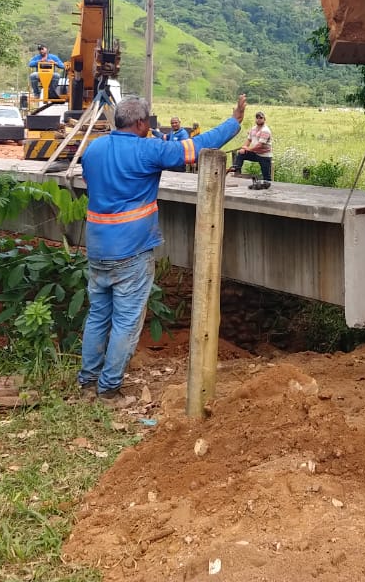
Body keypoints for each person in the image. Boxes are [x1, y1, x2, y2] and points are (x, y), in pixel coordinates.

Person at [76, 92, 247, 400]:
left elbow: (90, 181)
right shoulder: (148, 150)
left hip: (98, 248)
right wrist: (233, 123)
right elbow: (195, 148)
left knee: (99, 315)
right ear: (141, 123)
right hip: (131, 250)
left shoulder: (95, 147)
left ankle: (87, 380)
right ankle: (109, 388)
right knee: (126, 321)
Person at [231, 111, 273, 183]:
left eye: (261, 118)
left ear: (264, 119)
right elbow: (249, 140)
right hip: (255, 153)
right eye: (257, 118)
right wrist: (244, 148)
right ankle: (236, 169)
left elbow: (260, 145)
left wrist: (249, 149)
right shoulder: (253, 129)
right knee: (241, 154)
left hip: (264, 155)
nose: (258, 119)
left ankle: (268, 189)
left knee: (266, 177)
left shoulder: (265, 130)